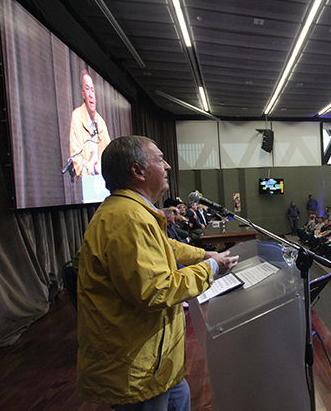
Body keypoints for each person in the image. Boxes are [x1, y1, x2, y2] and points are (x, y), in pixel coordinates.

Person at [77, 136, 239, 409]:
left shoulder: (133, 211)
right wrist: (210, 267)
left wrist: (203, 254)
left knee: (181, 398)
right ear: (138, 171)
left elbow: (163, 247)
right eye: (160, 159)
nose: (167, 167)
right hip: (137, 368)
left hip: (158, 361)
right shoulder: (127, 219)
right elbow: (156, 290)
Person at [69, 70, 111, 177]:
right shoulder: (77, 116)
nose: (91, 94)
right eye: (87, 89)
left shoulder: (100, 122)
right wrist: (93, 168)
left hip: (102, 180)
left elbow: (110, 155)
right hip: (86, 181)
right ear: (83, 94)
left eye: (92, 90)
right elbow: (75, 157)